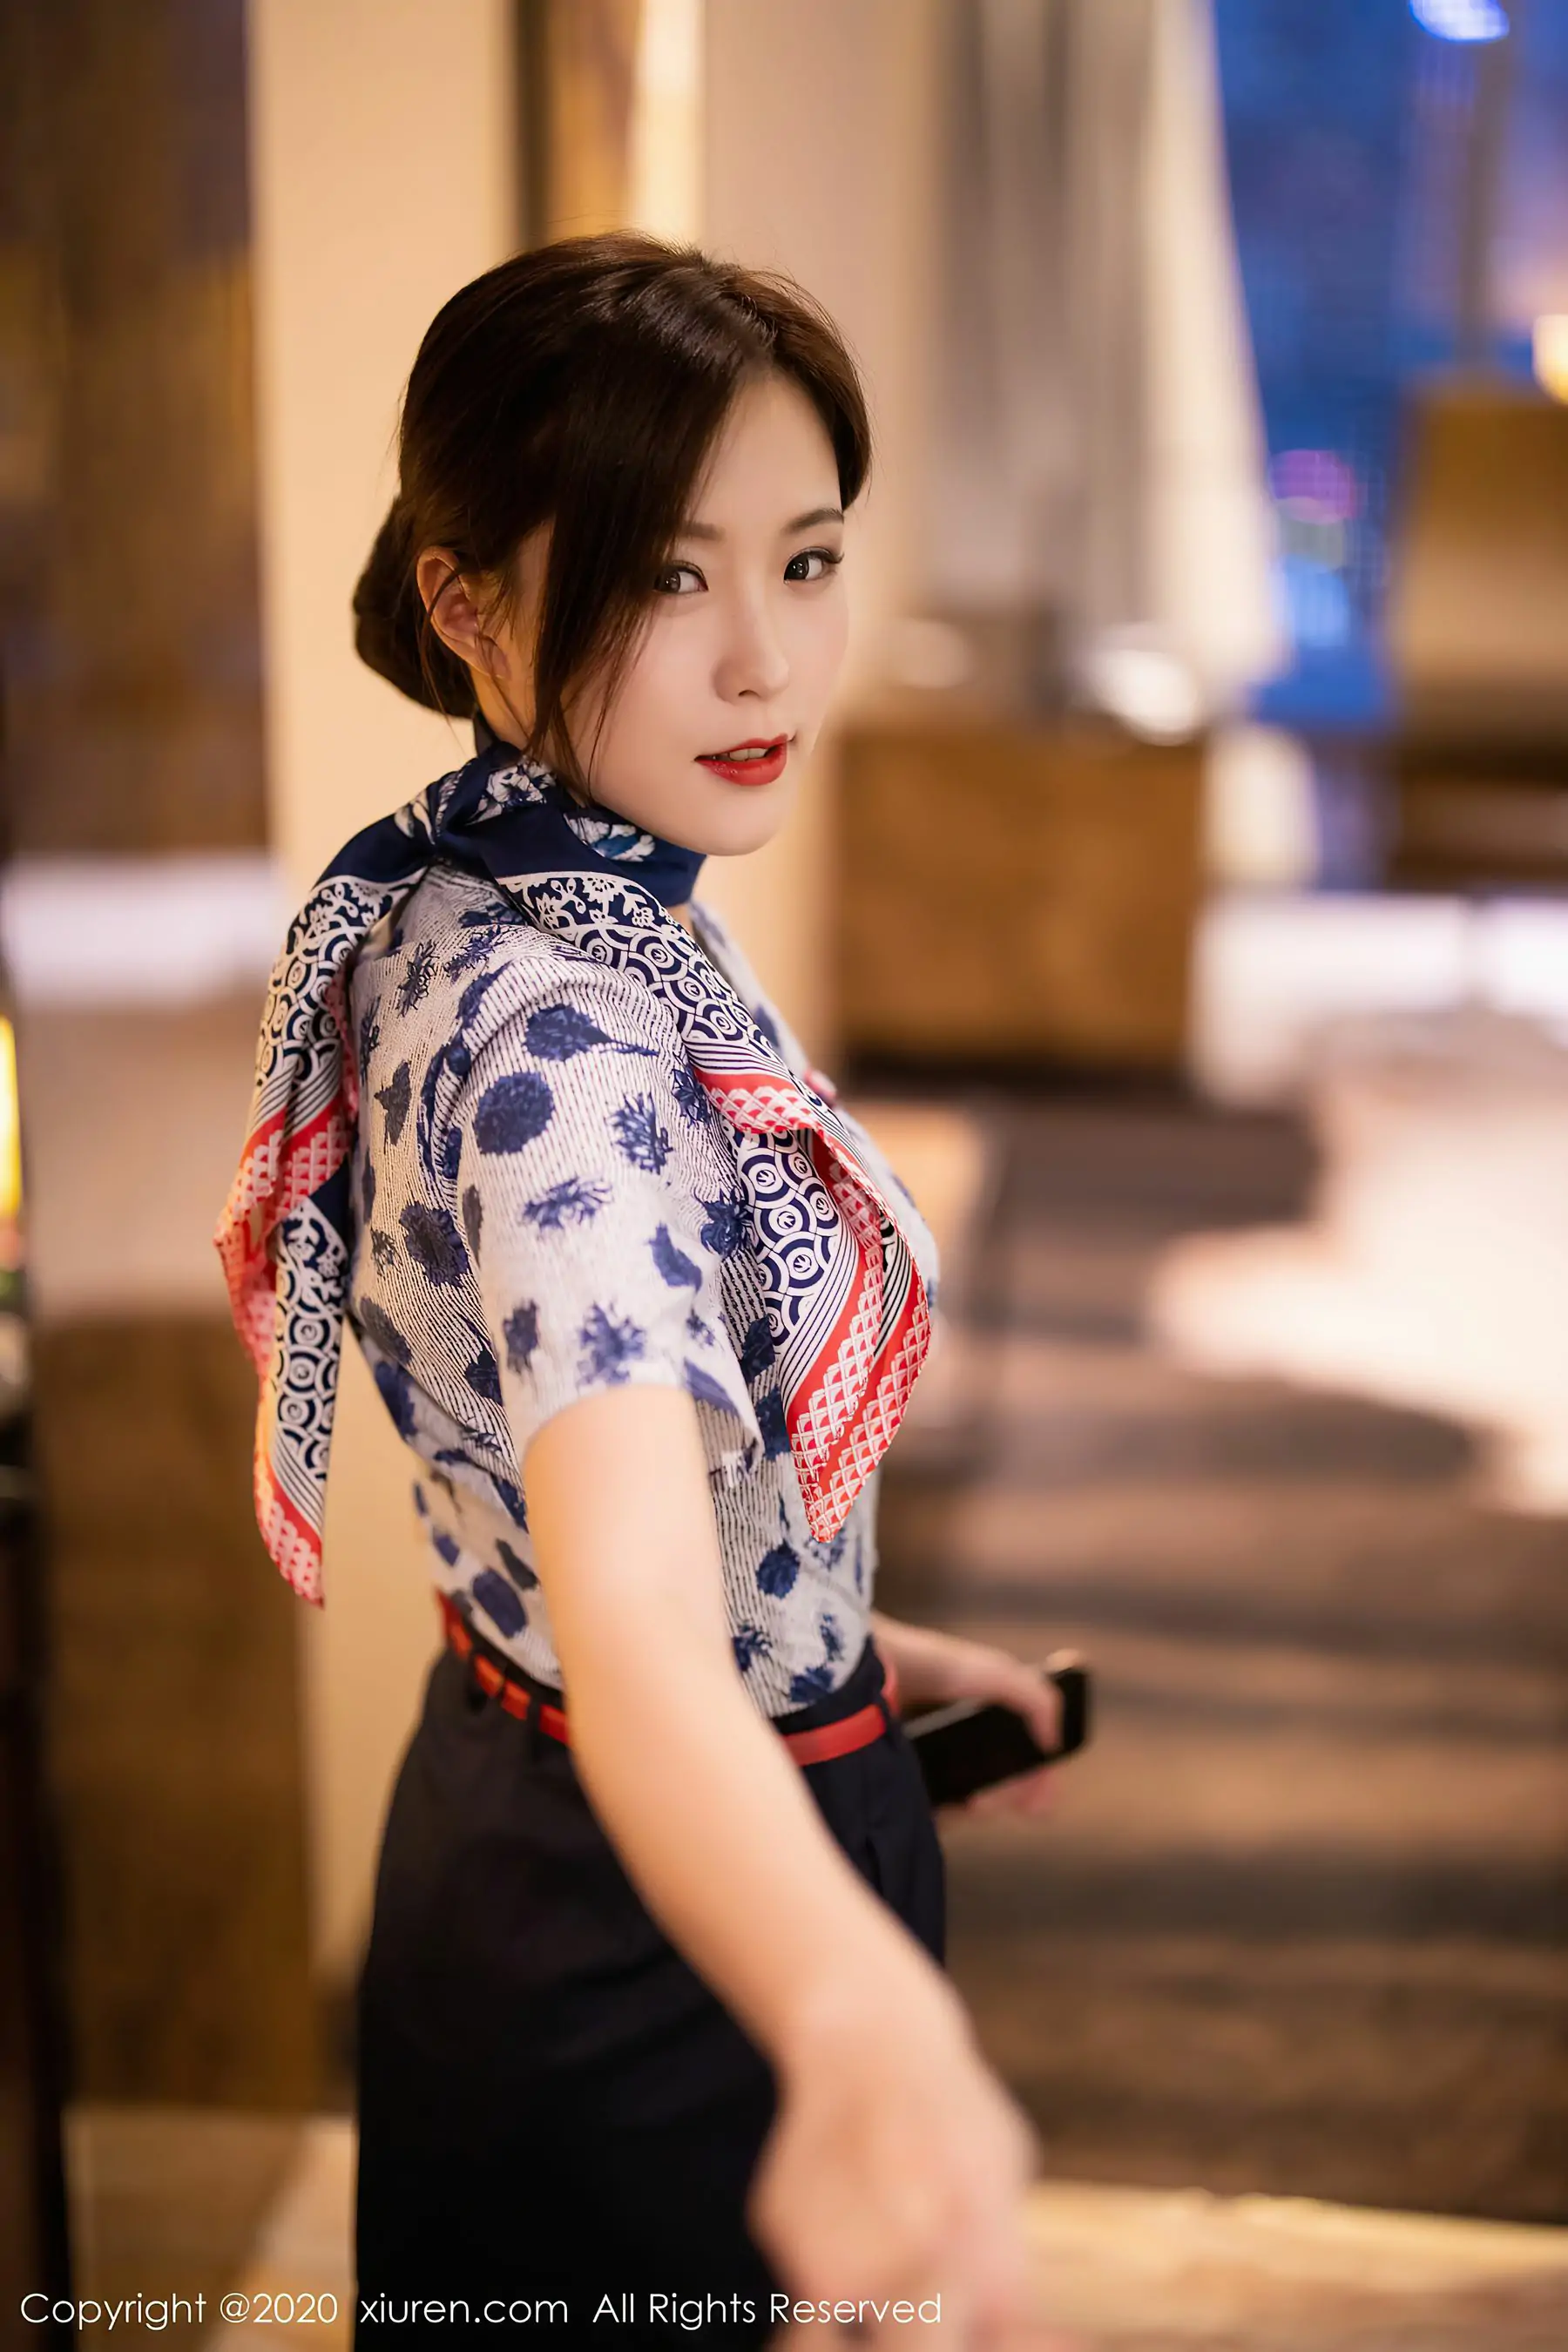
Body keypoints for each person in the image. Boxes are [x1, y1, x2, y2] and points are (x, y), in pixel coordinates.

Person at [218, 234, 1071, 2349]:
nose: (768, 663)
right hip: (666, 1921)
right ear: (469, 606)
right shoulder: (572, 1045)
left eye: (807, 560)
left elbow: (593, 1527)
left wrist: (859, 1654)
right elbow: (637, 1639)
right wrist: (860, 2016)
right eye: (669, 577)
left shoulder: (496, 889)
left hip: (523, 1817)